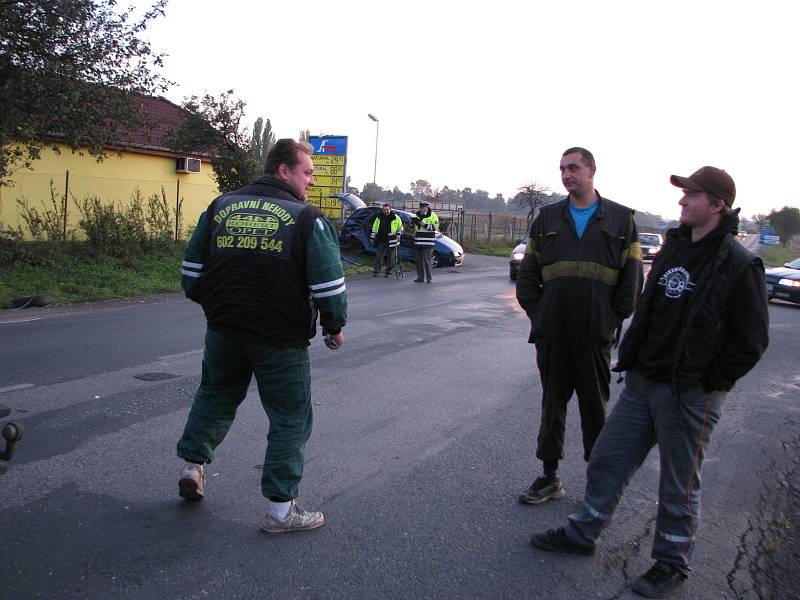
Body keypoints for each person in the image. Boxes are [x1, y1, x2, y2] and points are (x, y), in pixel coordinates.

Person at [530, 166, 769, 598]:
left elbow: (750, 341)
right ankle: (583, 533)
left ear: (716, 205)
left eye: (691, 195)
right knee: (606, 457)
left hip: (690, 393)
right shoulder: (676, 250)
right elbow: (648, 306)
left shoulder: (737, 263)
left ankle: (671, 564)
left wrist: (707, 382)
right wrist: (634, 360)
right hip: (643, 384)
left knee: (678, 483)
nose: (681, 201)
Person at [176, 138, 347, 533]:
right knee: (289, 418)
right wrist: (334, 327)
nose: (311, 182)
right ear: (283, 170)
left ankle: (193, 468)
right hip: (280, 340)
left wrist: (217, 307)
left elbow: (191, 274)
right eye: (307, 173)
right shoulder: (308, 219)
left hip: (224, 331)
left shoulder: (221, 207)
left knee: (215, 395)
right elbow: (329, 288)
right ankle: (282, 512)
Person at [515, 147, 642, 504]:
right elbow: (527, 278)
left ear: (592, 170)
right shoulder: (547, 218)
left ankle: (597, 484)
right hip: (553, 333)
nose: (567, 174)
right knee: (552, 404)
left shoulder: (620, 219)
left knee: (594, 408)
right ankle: (549, 478)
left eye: (573, 168)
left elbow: (632, 282)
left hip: (594, 335)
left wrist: (609, 322)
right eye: (562, 169)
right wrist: (540, 316)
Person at [370, 203, 404, 277]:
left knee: (391, 257)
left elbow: (400, 227)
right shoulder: (379, 218)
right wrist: (372, 237)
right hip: (381, 240)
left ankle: (388, 272)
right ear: (383, 210)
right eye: (384, 210)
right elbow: (374, 228)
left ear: (390, 209)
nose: (386, 211)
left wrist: (398, 235)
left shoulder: (396, 217)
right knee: (379, 256)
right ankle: (376, 271)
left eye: (387, 210)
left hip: (392, 240)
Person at [412, 200, 439, 283]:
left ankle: (429, 278)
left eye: (423, 207)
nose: (421, 209)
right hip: (418, 242)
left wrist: (423, 224)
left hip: (428, 242)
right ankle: (420, 278)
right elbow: (413, 227)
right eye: (420, 207)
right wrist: (412, 223)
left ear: (427, 207)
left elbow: (435, 227)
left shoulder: (433, 215)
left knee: (427, 261)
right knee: (418, 261)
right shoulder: (416, 215)